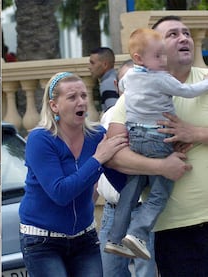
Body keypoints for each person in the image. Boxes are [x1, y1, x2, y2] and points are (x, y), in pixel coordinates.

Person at [106, 15, 208, 276]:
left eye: (186, 32)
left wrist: (195, 133)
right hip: (176, 233)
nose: (184, 37)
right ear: (151, 50)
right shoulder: (134, 95)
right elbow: (112, 155)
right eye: (172, 34)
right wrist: (161, 165)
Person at [18, 72, 128, 277]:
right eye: (72, 97)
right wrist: (98, 159)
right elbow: (60, 192)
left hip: (84, 237)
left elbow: (123, 184)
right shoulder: (40, 139)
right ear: (54, 106)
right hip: (43, 241)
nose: (81, 102)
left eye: (84, 96)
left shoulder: (97, 137)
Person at [97, 59, 158, 277]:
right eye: (126, 81)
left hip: (141, 210)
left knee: (146, 274)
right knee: (109, 272)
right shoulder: (108, 117)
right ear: (117, 85)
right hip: (111, 212)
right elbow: (99, 164)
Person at [89, 47, 119, 112]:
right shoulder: (115, 77)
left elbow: (113, 113)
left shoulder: (108, 83)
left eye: (92, 63)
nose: (89, 67)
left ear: (105, 65)